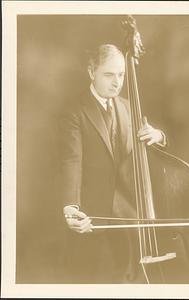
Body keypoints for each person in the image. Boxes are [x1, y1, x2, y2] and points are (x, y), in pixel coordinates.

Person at [59, 44, 167, 283]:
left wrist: (158, 135)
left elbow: (143, 150)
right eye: (109, 75)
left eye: (121, 75)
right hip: (92, 215)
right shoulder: (75, 110)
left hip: (129, 214)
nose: (117, 82)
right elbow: (72, 160)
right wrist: (71, 206)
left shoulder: (129, 107)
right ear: (91, 72)